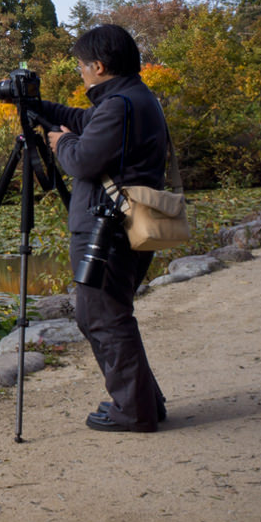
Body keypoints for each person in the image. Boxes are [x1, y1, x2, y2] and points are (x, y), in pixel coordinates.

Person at [42, 23, 169, 433]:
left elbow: (81, 160)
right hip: (131, 223)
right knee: (110, 313)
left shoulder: (118, 106)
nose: (81, 74)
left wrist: (59, 143)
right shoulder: (135, 98)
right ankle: (144, 400)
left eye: (82, 67)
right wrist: (39, 108)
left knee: (103, 318)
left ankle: (134, 410)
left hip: (106, 228)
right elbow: (86, 121)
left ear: (98, 66)